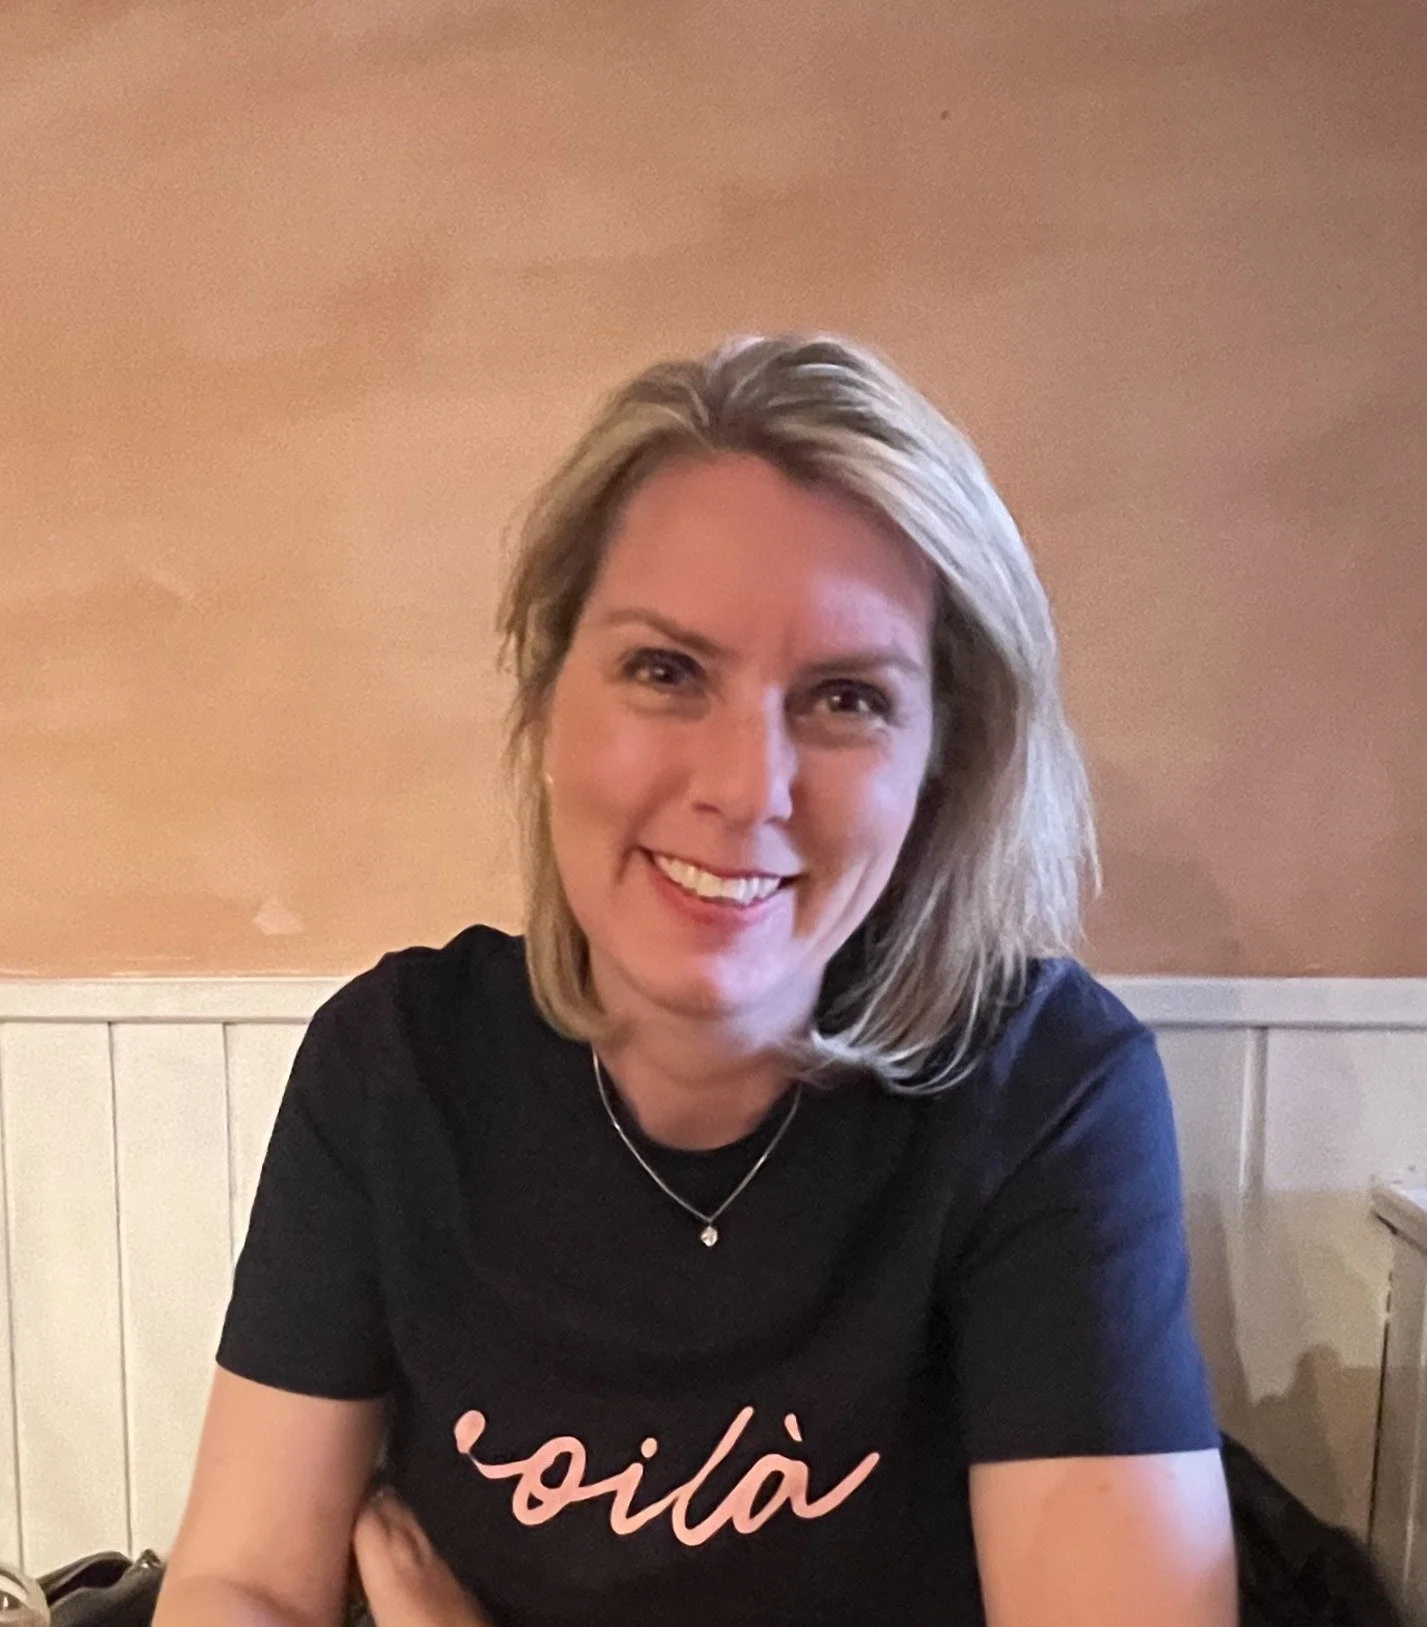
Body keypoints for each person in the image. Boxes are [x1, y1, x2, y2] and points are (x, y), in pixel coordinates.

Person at [154, 335, 1237, 1627]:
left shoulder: (1043, 1087)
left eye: (846, 697)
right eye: (666, 672)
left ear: (940, 763)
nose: (744, 785)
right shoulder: (395, 1062)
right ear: (545, 697)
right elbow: (239, 1582)